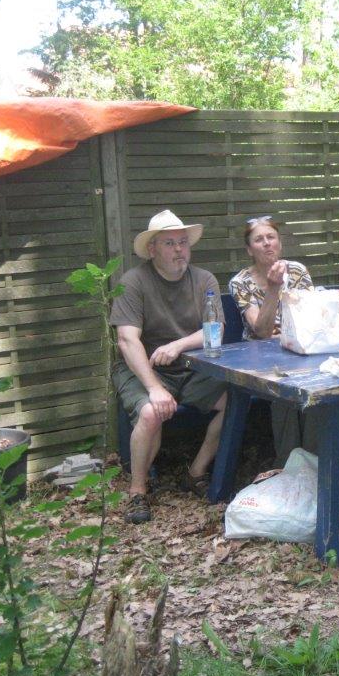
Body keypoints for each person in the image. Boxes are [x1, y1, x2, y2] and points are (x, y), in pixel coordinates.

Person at [110, 210, 228, 525]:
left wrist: (178, 345)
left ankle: (196, 472)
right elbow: (126, 340)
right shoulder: (133, 282)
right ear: (152, 250)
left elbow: (215, 328)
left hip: (190, 367)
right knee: (152, 412)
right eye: (169, 243)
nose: (179, 250)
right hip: (142, 369)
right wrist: (154, 387)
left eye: (183, 243)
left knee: (235, 401)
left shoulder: (205, 280)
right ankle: (138, 490)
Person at [228, 216, 316, 466]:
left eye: (271, 237)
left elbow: (310, 317)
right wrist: (273, 288)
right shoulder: (240, 282)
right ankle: (288, 465)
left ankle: (313, 462)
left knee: (318, 387)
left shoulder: (297, 271)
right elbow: (262, 332)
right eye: (259, 240)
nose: (267, 244)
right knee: (284, 392)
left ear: (279, 243)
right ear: (249, 249)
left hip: (299, 350)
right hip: (261, 358)